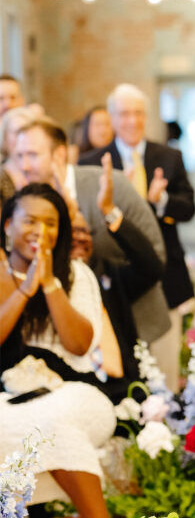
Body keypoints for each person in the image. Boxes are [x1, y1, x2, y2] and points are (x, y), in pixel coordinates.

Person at [0, 184, 130, 518]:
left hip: (75, 392)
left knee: (52, 424)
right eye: (30, 220)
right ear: (8, 226)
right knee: (31, 426)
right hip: (13, 398)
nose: (41, 230)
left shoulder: (76, 274)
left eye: (51, 222)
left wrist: (51, 283)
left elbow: (78, 344)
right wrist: (25, 288)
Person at [15, 116, 170, 350]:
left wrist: (113, 304)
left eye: (33, 155)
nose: (24, 165)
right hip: (69, 335)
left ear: (59, 154)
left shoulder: (109, 184)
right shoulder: (27, 202)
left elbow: (155, 253)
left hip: (137, 326)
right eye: (19, 156)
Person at [81, 84, 195, 390]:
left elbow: (188, 208)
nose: (132, 121)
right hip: (116, 279)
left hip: (165, 273)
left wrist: (160, 201)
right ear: (113, 118)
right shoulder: (92, 163)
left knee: (165, 368)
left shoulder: (169, 156)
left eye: (138, 113)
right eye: (124, 114)